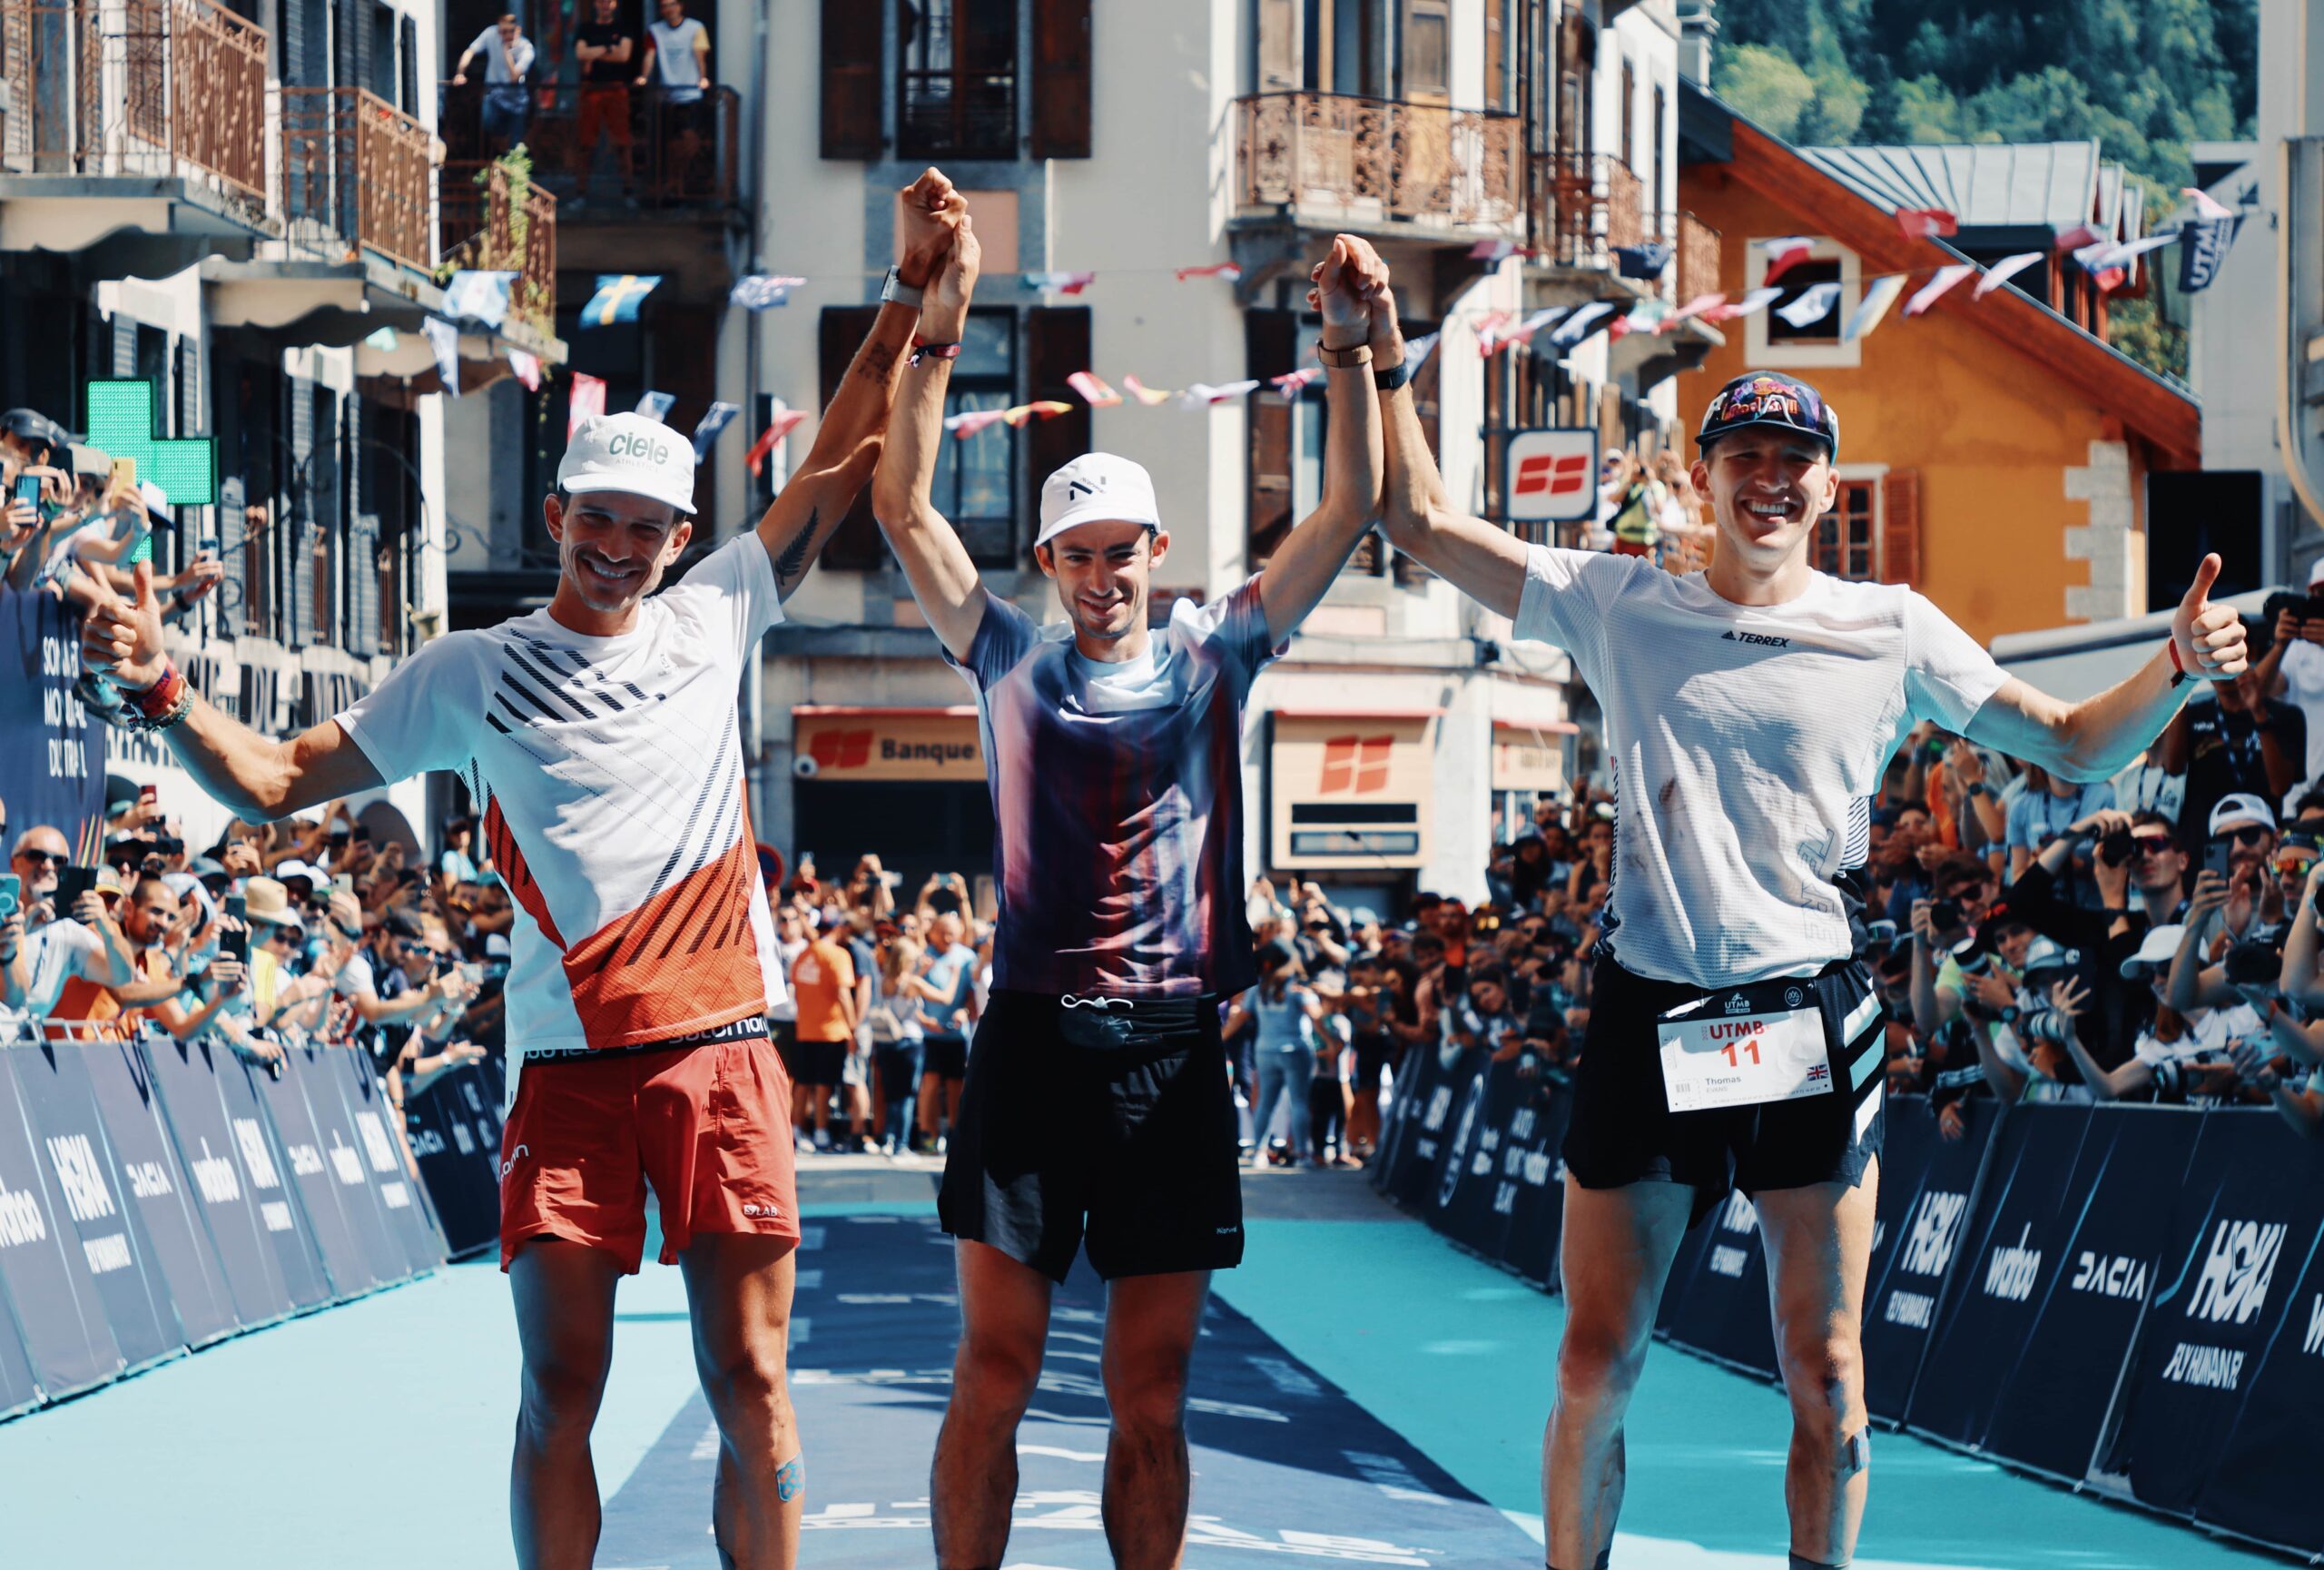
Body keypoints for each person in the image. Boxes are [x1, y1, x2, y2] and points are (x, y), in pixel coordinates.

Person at [79, 172, 973, 1570]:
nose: (617, 548)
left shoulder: (720, 609)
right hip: (563, 1065)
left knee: (749, 1383)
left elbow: (853, 440)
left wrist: (920, 288)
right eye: (595, 519)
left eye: (646, 529)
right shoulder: (469, 674)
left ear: (683, 540)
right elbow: (265, 782)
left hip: (725, 1051)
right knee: (561, 1395)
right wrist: (160, 692)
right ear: (557, 512)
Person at [1364, 331, 2250, 1570]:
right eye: (1745, 457)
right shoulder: (1621, 602)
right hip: (1653, 1013)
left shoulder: (1889, 626)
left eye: (1796, 460)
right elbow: (1414, 517)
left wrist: (2174, 668)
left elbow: (2076, 746)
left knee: (1828, 1378)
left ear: (1830, 489)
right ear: (1704, 476)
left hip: (1802, 1020)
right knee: (1594, 1365)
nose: (1770, 479)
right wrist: (1377, 354)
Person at [869, 209, 1385, 1568]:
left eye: (1124, 552)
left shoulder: (1222, 652)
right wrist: (938, 316)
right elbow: (902, 506)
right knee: (995, 1370)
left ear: (1159, 552)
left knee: (1148, 1395)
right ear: (1050, 564)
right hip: (1032, 1041)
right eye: (1078, 555)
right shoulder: (1004, 661)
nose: (1103, 577)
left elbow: (1350, 508)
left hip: (1170, 1048)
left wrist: (1344, 345)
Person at [1226, 943, 1321, 1169]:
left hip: (1265, 1050)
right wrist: (1330, 1040)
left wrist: (1219, 1037)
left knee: (1266, 1103)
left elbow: (1239, 1018)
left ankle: (1259, 1151)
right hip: (1296, 1049)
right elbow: (1317, 1017)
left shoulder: (1256, 990)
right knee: (1299, 1102)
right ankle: (1302, 1153)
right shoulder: (1298, 988)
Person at [787, 915, 860, 1151]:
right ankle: (820, 1132)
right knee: (824, 1085)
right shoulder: (838, 955)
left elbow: (797, 991)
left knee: (802, 1085)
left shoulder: (803, 955)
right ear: (838, 928)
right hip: (832, 1031)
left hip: (805, 1029)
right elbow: (843, 994)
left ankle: (796, 1130)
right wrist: (852, 1028)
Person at [638, 0, 712, 193]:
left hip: (689, 95)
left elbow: (699, 56)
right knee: (667, 145)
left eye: (671, 5)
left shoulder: (695, 28)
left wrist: (702, 78)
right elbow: (649, 56)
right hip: (666, 96)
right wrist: (644, 77)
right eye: (664, 6)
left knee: (688, 143)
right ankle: (670, 185)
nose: (668, 9)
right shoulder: (655, 30)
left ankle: (682, 185)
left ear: (680, 6)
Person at [571, 0, 636, 195]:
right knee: (585, 142)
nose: (605, 5)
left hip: (616, 88)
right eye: (601, 1)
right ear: (595, 4)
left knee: (622, 141)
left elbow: (624, 55)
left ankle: (628, 190)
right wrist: (608, 49)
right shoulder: (585, 28)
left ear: (615, 4)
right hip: (591, 88)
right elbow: (580, 53)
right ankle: (581, 191)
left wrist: (594, 53)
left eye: (609, 1)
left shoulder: (624, 27)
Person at [453, 13, 536, 155]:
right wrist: (460, 72)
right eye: (502, 31)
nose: (505, 35)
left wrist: (506, 52)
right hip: (494, 94)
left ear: (518, 30)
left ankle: (511, 168)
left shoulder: (526, 48)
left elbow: (514, 77)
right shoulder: (491, 33)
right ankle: (501, 144)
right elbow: (470, 51)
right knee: (488, 123)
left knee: (515, 147)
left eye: (510, 31)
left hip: (517, 101)